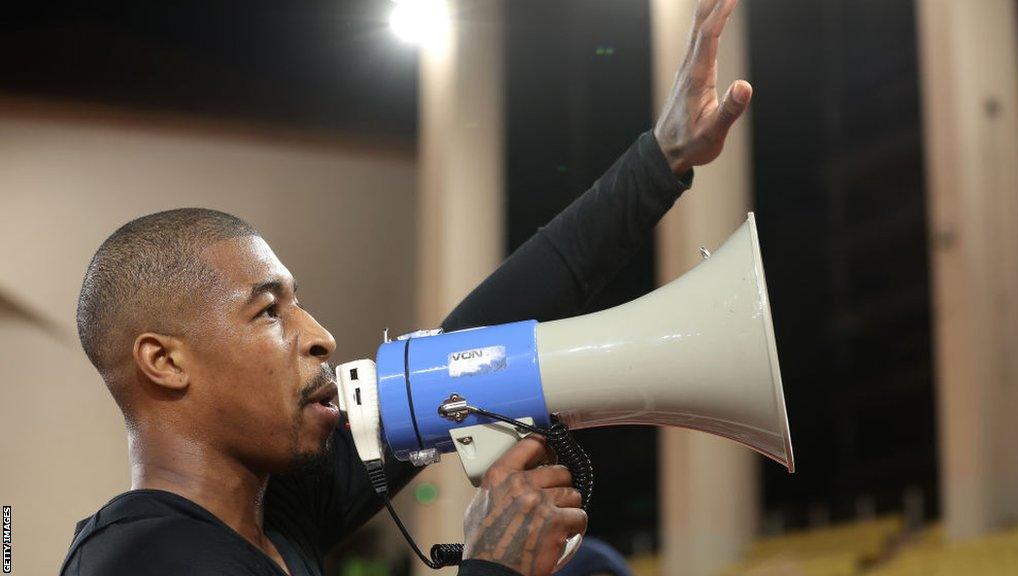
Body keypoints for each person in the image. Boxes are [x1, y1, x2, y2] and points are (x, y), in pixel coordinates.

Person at [59, 1, 751, 574]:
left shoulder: (277, 518)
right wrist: (490, 569)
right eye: (269, 311)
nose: (320, 337)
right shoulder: (141, 558)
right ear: (166, 361)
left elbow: (477, 333)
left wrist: (662, 160)